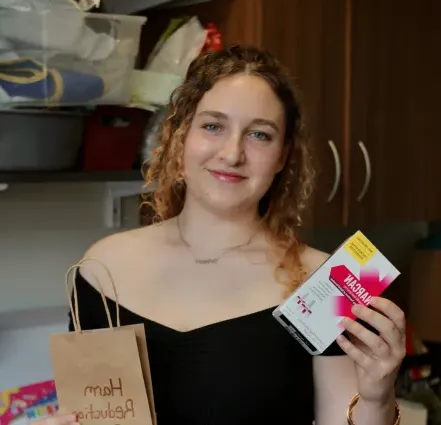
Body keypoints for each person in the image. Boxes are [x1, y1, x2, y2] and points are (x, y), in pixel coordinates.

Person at [35, 45, 405, 425]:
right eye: (213, 126)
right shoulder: (102, 269)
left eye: (259, 135)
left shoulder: (328, 284)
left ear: (282, 156)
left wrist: (377, 398)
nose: (232, 154)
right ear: (180, 139)